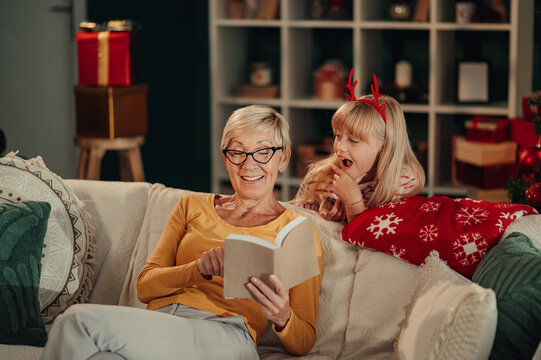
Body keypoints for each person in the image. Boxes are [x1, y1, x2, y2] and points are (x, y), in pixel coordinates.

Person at [40, 105, 323, 360]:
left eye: (263, 152)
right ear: (226, 159)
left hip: (227, 334)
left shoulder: (296, 232)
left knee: (76, 321)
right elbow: (145, 287)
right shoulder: (192, 206)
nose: (249, 164)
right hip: (162, 324)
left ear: (283, 159)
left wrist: (283, 316)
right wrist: (196, 270)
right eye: (237, 152)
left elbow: (304, 341)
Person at [294, 71, 425, 223]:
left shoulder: (402, 182)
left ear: (384, 146)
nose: (340, 147)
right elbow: (298, 228)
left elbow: (378, 241)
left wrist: (353, 202)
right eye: (338, 136)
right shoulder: (318, 178)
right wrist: (320, 218)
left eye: (354, 140)